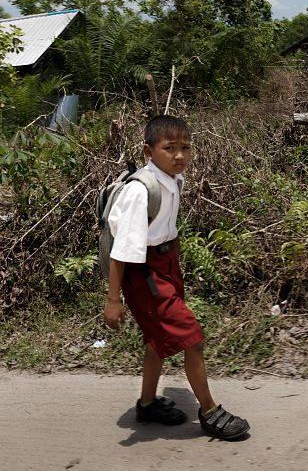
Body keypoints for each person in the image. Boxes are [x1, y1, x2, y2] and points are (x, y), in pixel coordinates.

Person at [103, 114, 250, 441]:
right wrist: (113, 300)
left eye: (186, 147)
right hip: (145, 274)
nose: (180, 155)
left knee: (157, 340)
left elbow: (164, 228)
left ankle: (147, 404)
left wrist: (173, 258)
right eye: (170, 148)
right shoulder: (140, 191)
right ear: (148, 151)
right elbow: (122, 252)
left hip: (165, 267)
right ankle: (210, 412)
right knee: (192, 339)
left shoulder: (171, 179)